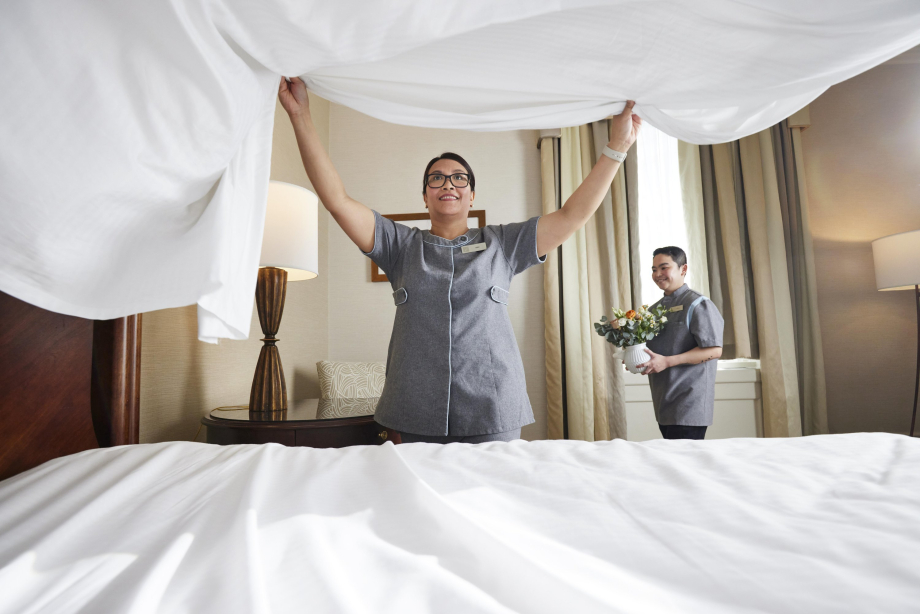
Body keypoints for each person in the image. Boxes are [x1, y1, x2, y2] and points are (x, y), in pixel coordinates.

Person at [278, 76, 641, 443]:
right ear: (424, 197)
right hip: (412, 410)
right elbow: (337, 200)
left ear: (471, 195)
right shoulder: (398, 245)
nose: (447, 184)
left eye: (458, 179)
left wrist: (616, 147)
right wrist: (300, 116)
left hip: (493, 407)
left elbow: (570, 216)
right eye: (436, 179)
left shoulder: (503, 243)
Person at [636, 247, 724, 440]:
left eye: (663, 267)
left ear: (683, 269)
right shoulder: (654, 310)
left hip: (689, 403)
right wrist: (635, 358)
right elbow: (654, 351)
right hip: (663, 402)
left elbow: (715, 350)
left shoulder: (699, 304)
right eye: (653, 269)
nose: (657, 274)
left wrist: (667, 362)